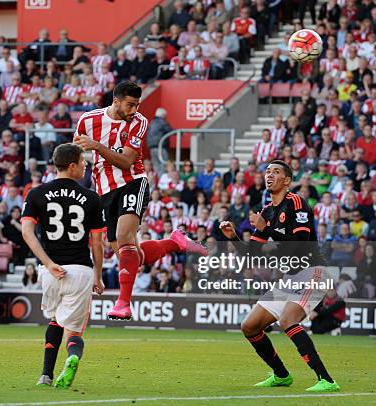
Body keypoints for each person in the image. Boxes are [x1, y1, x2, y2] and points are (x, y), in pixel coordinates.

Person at [73, 82, 207, 320]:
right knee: (134, 257)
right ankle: (176, 242)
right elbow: (76, 149)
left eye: (137, 105)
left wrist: (97, 146)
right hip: (104, 190)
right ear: (116, 101)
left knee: (124, 238)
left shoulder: (140, 122)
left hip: (133, 181)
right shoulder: (88, 120)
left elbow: (126, 161)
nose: (134, 109)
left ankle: (123, 304)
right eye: (130, 104)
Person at [220, 160, 340, 392]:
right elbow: (252, 255)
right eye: (267, 171)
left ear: (287, 181)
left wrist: (267, 229)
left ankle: (326, 380)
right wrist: (232, 237)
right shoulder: (266, 211)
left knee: (287, 321)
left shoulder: (297, 203)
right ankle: (281, 375)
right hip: (290, 277)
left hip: (313, 271)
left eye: (276, 172)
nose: (269, 175)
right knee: (250, 326)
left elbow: (300, 245)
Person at [21, 143, 105, 389]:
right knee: (74, 332)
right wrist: (98, 276)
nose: (86, 165)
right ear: (72, 166)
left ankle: (45, 374)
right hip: (80, 271)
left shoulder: (36, 194)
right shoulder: (91, 198)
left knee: (55, 320)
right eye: (83, 161)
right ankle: (72, 357)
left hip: (50, 271)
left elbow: (27, 232)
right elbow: (97, 243)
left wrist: (47, 262)